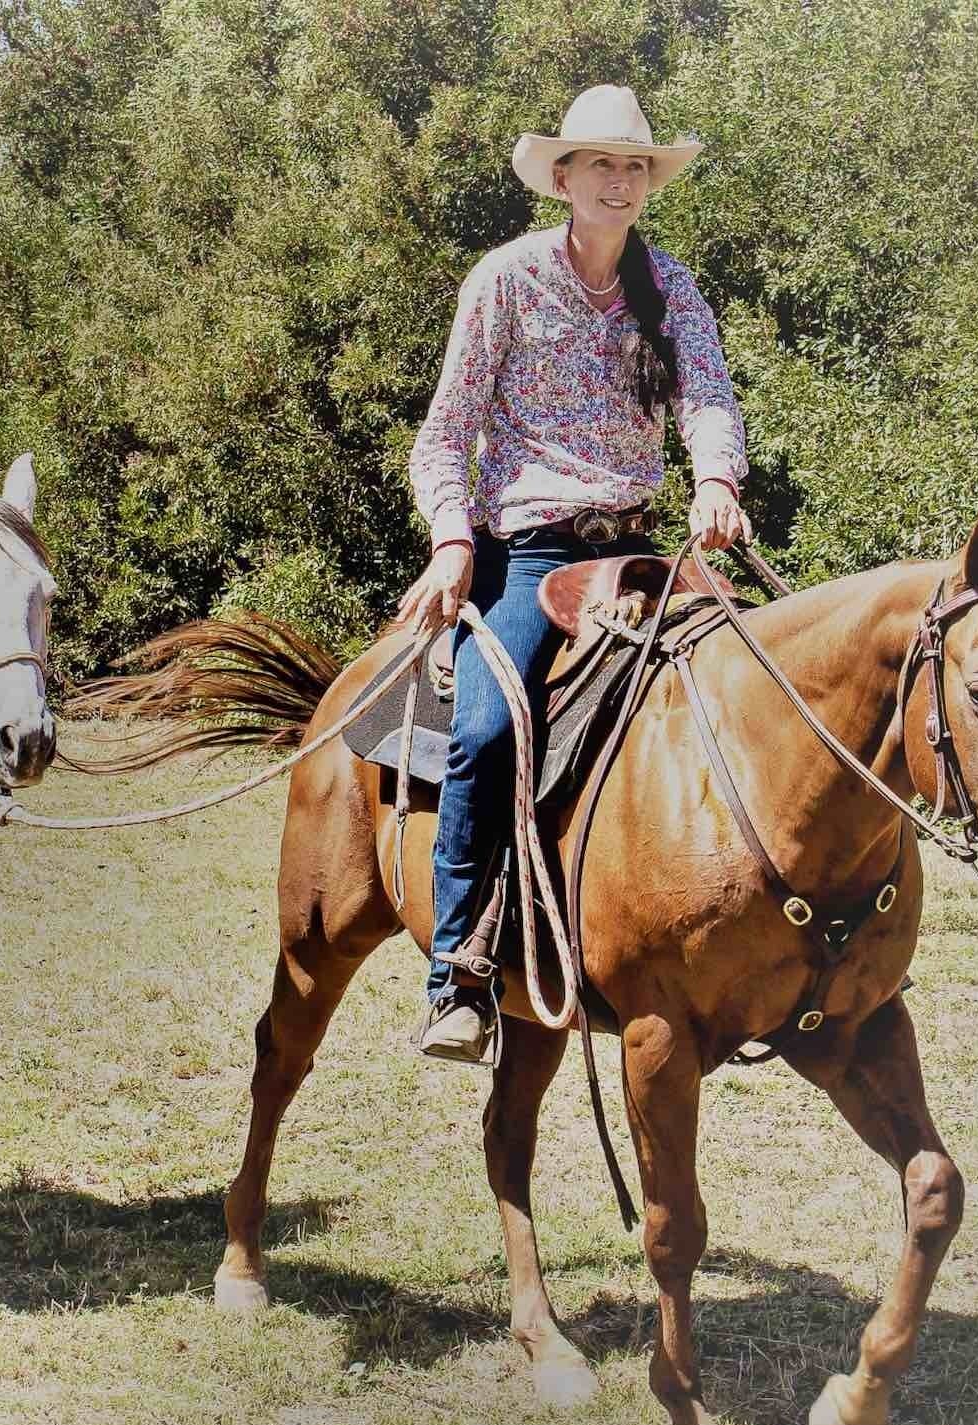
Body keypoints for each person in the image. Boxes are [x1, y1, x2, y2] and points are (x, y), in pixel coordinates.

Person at [397, 84, 753, 1064]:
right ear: (562, 178)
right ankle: (459, 977)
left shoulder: (672, 288)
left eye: (635, 166)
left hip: (641, 552)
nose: (621, 180)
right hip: (531, 549)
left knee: (757, 693)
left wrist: (717, 480)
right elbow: (443, 441)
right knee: (483, 726)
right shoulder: (504, 281)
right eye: (602, 163)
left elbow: (710, 402)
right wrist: (453, 540)